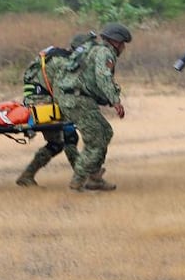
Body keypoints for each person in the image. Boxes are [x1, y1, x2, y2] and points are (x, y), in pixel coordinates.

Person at [54, 22, 132, 192]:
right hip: (78, 100)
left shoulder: (91, 48)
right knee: (95, 142)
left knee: (105, 132)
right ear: (117, 42)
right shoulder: (105, 53)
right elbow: (103, 77)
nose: (124, 48)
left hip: (72, 98)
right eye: (123, 44)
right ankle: (77, 184)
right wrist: (115, 100)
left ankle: (95, 177)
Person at [15, 31, 96, 187]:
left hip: (38, 102)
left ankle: (27, 176)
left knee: (56, 143)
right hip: (42, 104)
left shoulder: (56, 57)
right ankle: (83, 179)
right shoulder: (63, 63)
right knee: (69, 136)